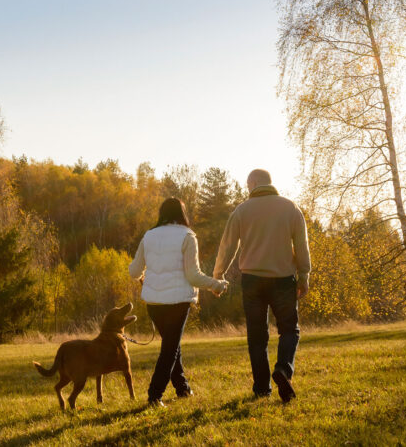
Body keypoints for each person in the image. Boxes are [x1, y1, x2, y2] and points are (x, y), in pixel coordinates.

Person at [213, 169, 311, 403]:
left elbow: (227, 246)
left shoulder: (241, 210)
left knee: (257, 336)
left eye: (248, 185)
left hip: (252, 280)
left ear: (253, 183)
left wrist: (218, 275)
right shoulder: (290, 207)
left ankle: (262, 388)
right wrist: (304, 274)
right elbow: (301, 243)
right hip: (283, 279)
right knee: (289, 330)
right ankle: (283, 370)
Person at [129, 198, 229, 407]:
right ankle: (154, 396)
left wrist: (145, 276)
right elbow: (193, 276)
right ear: (182, 213)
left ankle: (182, 388)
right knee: (170, 349)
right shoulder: (187, 236)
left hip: (154, 303)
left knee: (171, 345)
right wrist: (216, 285)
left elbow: (134, 271)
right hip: (177, 302)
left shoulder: (149, 235)